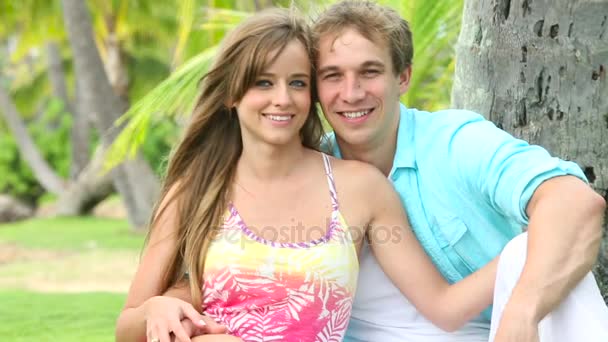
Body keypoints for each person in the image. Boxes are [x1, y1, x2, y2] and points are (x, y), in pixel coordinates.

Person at [115, 7, 502, 342]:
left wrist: (524, 253)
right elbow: (127, 327)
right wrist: (156, 308)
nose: (282, 98)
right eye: (263, 82)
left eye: (297, 83)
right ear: (232, 95)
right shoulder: (196, 191)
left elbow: (444, 307)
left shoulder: (360, 188)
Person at [311, 1, 608, 342]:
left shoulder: (453, 142)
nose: (352, 93)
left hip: (495, 331)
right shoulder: (309, 170)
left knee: (533, 249)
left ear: (403, 76)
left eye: (370, 72)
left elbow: (574, 201)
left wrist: (522, 312)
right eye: (333, 76)